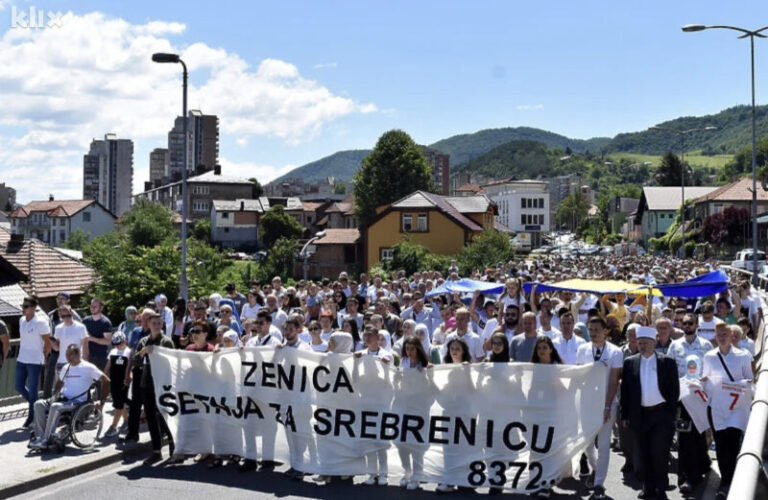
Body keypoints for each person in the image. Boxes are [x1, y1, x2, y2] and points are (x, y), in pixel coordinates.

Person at [620, 326, 679, 500]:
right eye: (640, 343)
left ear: (654, 343)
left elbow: (674, 391)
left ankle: (661, 488)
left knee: (659, 452)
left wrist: (670, 415)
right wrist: (625, 415)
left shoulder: (667, 362)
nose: (642, 346)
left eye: (645, 343)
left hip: (661, 414)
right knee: (643, 452)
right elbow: (626, 392)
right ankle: (648, 487)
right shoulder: (630, 362)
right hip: (640, 415)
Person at [701, 322, 753, 499]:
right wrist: (705, 382)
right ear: (715, 336)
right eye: (719, 335)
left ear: (731, 336)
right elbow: (705, 381)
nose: (722, 337)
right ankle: (726, 480)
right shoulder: (709, 356)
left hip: (736, 409)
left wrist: (733, 386)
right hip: (716, 407)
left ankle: (729, 482)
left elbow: (750, 381)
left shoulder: (743, 356)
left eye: (725, 334)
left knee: (732, 443)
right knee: (721, 446)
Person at [28, 344, 109, 450]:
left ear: (78, 354)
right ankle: (40, 437)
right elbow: (59, 383)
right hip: (64, 399)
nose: (67, 357)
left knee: (56, 407)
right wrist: (54, 396)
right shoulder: (66, 367)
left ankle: (46, 440)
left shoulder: (88, 367)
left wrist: (101, 401)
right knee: (38, 404)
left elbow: (106, 380)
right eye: (66, 355)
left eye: (70, 354)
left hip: (78, 402)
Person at [576, 316, 623, 500]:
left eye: (597, 329)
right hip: (587, 403)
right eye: (591, 330)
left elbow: (614, 380)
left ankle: (599, 484)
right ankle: (597, 468)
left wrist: (607, 406)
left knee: (603, 444)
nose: (593, 333)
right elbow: (580, 376)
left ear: (605, 331)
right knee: (587, 444)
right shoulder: (582, 349)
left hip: (607, 403)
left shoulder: (615, 352)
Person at [668, 312, 712, 493]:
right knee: (685, 438)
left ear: (697, 325)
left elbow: (711, 370)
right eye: (684, 323)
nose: (687, 326)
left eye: (690, 323)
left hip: (700, 398)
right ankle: (685, 478)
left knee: (699, 436)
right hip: (683, 398)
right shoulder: (675, 345)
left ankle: (701, 468)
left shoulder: (706, 345)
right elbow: (670, 370)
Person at [130, 312, 176, 463]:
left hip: (163, 384)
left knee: (164, 416)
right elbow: (135, 361)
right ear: (148, 324)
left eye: (159, 323)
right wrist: (143, 352)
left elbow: (172, 361)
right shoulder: (143, 341)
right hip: (147, 382)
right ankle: (156, 450)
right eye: (154, 323)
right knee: (151, 417)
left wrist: (156, 352)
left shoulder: (166, 342)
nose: (157, 326)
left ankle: (173, 445)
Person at [16, 296, 51, 429]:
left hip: (35, 361)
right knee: (18, 386)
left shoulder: (41, 322)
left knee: (33, 391)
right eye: (22, 306)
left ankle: (32, 418)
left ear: (33, 308)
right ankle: (36, 406)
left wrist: (43, 357)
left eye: (25, 306)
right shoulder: (21, 320)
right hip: (21, 359)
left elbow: (47, 342)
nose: (23, 308)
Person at [43, 291, 81, 398]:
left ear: (68, 300)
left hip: (69, 351)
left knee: (69, 375)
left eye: (62, 298)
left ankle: (68, 396)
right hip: (55, 349)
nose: (59, 301)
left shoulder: (74, 315)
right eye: (58, 299)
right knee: (50, 375)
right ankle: (47, 399)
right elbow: (49, 331)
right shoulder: (51, 314)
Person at [50, 305, 88, 382]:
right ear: (60, 316)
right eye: (63, 316)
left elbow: (85, 347)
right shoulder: (58, 328)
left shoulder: (81, 327)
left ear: (72, 313)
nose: (66, 318)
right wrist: (52, 342)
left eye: (68, 315)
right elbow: (57, 348)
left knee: (75, 386)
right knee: (60, 387)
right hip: (61, 362)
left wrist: (85, 364)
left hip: (76, 362)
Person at [103, 332, 131, 437]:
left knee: (119, 404)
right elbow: (108, 365)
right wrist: (104, 376)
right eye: (115, 344)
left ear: (125, 341)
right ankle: (127, 420)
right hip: (113, 381)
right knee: (118, 403)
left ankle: (113, 426)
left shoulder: (129, 352)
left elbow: (130, 367)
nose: (118, 346)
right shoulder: (113, 351)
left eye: (119, 343)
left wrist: (128, 378)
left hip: (124, 382)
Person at [82, 298, 112, 371]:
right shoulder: (85, 321)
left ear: (101, 308)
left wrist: (91, 338)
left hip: (100, 357)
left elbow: (108, 341)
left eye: (95, 306)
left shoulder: (105, 323)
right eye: (91, 306)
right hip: (87, 356)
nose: (92, 308)